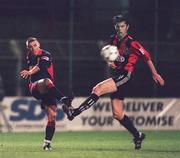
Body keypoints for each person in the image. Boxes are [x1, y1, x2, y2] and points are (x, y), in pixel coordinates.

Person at [62, 14, 165, 150]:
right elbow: (113, 56)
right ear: (115, 27)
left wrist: (155, 73)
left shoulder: (132, 43)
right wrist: (111, 62)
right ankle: (138, 135)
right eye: (117, 26)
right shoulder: (113, 40)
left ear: (127, 27)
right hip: (118, 75)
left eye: (122, 26)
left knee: (97, 89)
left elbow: (147, 57)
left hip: (125, 77)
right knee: (117, 114)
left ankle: (73, 113)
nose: (120, 29)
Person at [20, 37, 72, 150]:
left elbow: (41, 66)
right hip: (35, 86)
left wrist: (29, 71)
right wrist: (29, 72)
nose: (33, 48)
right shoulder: (30, 55)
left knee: (52, 116)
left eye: (34, 45)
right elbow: (36, 69)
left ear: (39, 44)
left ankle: (46, 143)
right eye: (30, 46)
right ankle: (64, 100)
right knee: (46, 81)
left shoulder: (46, 54)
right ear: (27, 48)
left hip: (48, 89)